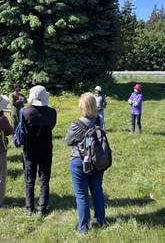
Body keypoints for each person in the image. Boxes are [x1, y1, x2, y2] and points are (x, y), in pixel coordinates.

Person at [65, 93, 107, 234]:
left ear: (82, 106)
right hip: (97, 160)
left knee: (82, 195)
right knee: (97, 191)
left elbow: (68, 141)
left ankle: (83, 228)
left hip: (79, 161)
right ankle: (100, 220)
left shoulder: (76, 124)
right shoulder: (99, 120)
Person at [22, 85, 57, 216]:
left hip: (30, 149)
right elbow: (52, 126)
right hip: (46, 148)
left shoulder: (25, 112)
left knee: (29, 179)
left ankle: (29, 208)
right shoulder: (52, 112)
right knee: (44, 178)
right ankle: (42, 207)